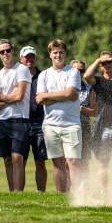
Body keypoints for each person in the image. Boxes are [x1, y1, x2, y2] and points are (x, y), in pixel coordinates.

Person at [36, 39, 81, 193]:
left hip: (71, 123)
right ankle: (61, 195)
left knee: (73, 161)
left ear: (65, 53)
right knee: (57, 162)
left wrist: (49, 97)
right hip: (50, 125)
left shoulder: (73, 71)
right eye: (55, 52)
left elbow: (71, 93)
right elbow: (40, 99)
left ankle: (77, 196)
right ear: (50, 54)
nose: (58, 55)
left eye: (61, 52)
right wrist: (64, 95)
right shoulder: (44, 75)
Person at [0, 39, 32, 192]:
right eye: (2, 51)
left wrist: (2, 97)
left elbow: (19, 96)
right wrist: (9, 97)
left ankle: (18, 192)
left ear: (13, 51)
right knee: (7, 160)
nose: (6, 53)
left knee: (17, 158)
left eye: (8, 50)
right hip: (3, 121)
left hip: (19, 119)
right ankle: (11, 192)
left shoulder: (21, 69)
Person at [84, 50, 112, 188]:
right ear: (100, 65)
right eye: (104, 63)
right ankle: (103, 195)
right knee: (103, 164)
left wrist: (105, 59)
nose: (107, 65)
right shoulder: (98, 81)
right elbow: (87, 75)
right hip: (102, 128)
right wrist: (99, 60)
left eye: (109, 61)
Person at [20, 46, 47, 192]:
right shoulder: (16, 76)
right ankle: (19, 192)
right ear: (21, 59)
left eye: (32, 57)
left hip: (39, 123)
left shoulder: (43, 76)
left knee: (40, 161)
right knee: (20, 162)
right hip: (22, 122)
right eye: (26, 57)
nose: (29, 59)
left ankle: (41, 193)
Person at [71, 60, 96, 176]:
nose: (79, 73)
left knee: (84, 160)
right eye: (76, 70)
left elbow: (94, 112)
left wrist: (81, 109)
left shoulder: (88, 88)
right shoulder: (64, 86)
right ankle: (67, 188)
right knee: (70, 160)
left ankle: (84, 188)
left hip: (84, 127)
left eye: (82, 71)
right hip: (68, 126)